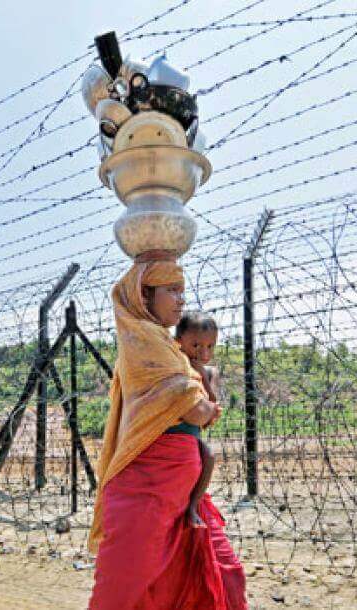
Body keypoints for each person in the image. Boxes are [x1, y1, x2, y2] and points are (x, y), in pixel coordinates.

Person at [88, 250, 247, 610]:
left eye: (182, 291)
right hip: (147, 490)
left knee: (224, 574)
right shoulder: (145, 342)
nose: (181, 300)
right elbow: (194, 408)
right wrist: (205, 409)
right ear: (144, 295)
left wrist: (204, 408)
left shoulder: (167, 348)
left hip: (185, 490)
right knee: (126, 590)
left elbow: (200, 406)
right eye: (171, 290)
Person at [172, 311, 221, 529]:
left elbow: (212, 406)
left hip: (191, 433)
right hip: (168, 433)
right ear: (178, 342)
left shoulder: (210, 372)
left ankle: (193, 505)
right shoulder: (173, 367)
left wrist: (202, 375)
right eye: (196, 346)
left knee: (209, 455)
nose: (203, 352)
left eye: (210, 346)